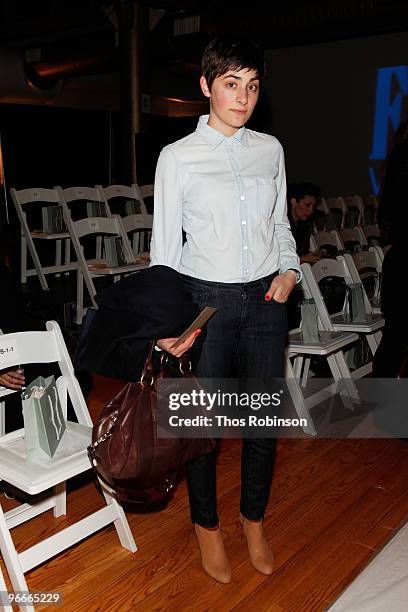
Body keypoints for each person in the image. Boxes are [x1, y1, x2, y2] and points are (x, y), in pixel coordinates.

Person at [150, 37, 301, 583]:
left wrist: (290, 271)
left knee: (263, 422)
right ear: (206, 86)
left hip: (266, 299)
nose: (243, 97)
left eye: (252, 86)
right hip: (203, 302)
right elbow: (164, 251)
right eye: (231, 84)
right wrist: (167, 326)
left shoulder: (270, 150)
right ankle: (207, 527)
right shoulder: (177, 158)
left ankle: (253, 521)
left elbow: (281, 227)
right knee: (204, 427)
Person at [373, 118, 408, 377]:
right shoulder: (403, 158)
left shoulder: (396, 157)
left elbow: (386, 218)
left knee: (394, 338)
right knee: (396, 339)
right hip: (404, 264)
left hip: (399, 261)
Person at [287, 182, 321, 264]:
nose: (311, 210)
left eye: (313, 206)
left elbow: (302, 250)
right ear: (293, 202)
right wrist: (302, 259)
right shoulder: (281, 225)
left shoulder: (306, 224)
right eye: (307, 205)